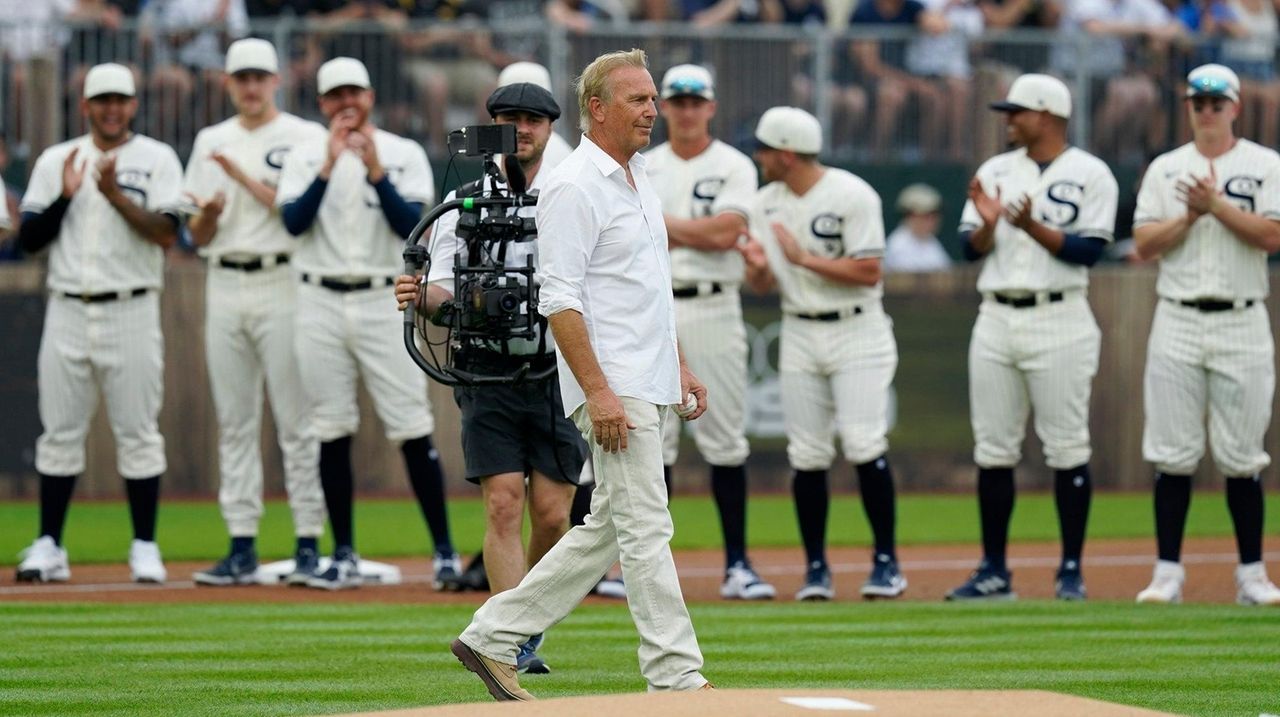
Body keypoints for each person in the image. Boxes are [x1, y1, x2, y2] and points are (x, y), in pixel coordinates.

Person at [450, 48, 713, 701]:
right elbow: (558, 298)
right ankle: (676, 673)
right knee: (647, 524)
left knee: (608, 528)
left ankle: (491, 633)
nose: (653, 110)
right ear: (597, 108)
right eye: (638, 99)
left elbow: (648, 285)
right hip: (612, 382)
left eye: (653, 98)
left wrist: (678, 362)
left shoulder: (639, 174)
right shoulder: (573, 184)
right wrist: (597, 389)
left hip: (643, 375)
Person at [395, 82, 585, 675]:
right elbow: (444, 287)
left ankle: (522, 619)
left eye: (531, 119)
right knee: (504, 504)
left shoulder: (573, 189)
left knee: (554, 512)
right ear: (493, 126)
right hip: (486, 368)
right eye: (508, 119)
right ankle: (510, 639)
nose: (520, 129)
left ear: (551, 127)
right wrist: (421, 297)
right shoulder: (466, 200)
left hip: (556, 368)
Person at [276, 57, 459, 591]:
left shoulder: (400, 153)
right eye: (335, 96)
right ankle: (345, 551)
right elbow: (293, 222)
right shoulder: (306, 154)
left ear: (371, 96)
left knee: (410, 422)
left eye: (354, 93)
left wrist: (376, 170)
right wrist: (329, 165)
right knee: (330, 426)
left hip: (386, 296)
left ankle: (444, 551)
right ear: (322, 103)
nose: (346, 104)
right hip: (319, 297)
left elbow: (413, 228)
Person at [945, 74, 1117, 602]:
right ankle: (994, 569)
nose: (1008, 119)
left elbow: (1091, 251)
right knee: (994, 449)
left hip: (1059, 315)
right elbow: (968, 250)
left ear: (1046, 114)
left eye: (1017, 111)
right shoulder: (996, 169)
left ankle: (1070, 570)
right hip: (997, 314)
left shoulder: (1090, 173)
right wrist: (992, 225)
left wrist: (1031, 225)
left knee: (1066, 446)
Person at [13, 63, 182, 584]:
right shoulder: (57, 159)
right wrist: (67, 193)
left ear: (133, 104)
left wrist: (112, 194)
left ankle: (144, 546)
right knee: (60, 432)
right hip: (66, 305)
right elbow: (29, 239)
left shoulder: (156, 158)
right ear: (85, 105)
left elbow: (166, 232)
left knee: (138, 432)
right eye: (102, 100)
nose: (112, 109)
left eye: (120, 100)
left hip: (131, 306)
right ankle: (49, 543)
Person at [739, 106, 907, 602]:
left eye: (766, 149)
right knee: (807, 452)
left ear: (787, 154)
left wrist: (803, 258)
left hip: (857, 327)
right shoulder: (764, 202)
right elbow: (766, 283)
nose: (760, 157)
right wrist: (759, 269)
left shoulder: (852, 194)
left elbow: (870, 271)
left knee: (862, 442)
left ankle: (886, 563)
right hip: (798, 327)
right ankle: (817, 569)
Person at [1131, 64, 1280, 606]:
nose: (1208, 110)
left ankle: (1251, 574)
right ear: (1188, 107)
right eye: (1199, 102)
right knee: (1172, 451)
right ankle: (1167, 572)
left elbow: (1272, 235)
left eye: (1217, 102)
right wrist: (1191, 218)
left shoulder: (1265, 165)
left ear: (1236, 107)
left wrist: (1216, 206)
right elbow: (1144, 244)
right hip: (1178, 313)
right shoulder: (1166, 169)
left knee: (1243, 454)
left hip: (1242, 315)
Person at [181, 39, 328, 586]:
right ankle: (241, 543)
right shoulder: (210, 140)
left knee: (297, 421)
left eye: (258, 77)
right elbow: (194, 235)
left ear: (275, 81)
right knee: (235, 421)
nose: (250, 86)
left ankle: (308, 540)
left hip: (282, 278)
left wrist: (238, 179)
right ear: (227, 82)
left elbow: (298, 214)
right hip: (224, 277)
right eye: (240, 77)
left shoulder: (304, 136)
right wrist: (210, 215)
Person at [648, 64, 775, 601]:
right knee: (657, 443)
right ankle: (655, 569)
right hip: (652, 309)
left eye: (695, 100)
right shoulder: (643, 162)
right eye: (676, 100)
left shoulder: (733, 164)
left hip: (714, 305)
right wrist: (695, 233)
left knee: (724, 438)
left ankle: (738, 564)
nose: (685, 110)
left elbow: (729, 233)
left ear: (711, 106)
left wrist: (658, 224)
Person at [497, 61, 574, 167]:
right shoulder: (498, 153)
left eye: (534, 120)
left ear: (550, 125)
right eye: (512, 119)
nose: (523, 129)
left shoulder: (559, 157)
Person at [883, 183, 951, 273]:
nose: (932, 221)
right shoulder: (898, 244)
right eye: (926, 216)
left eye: (934, 216)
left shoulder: (931, 242)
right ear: (909, 216)